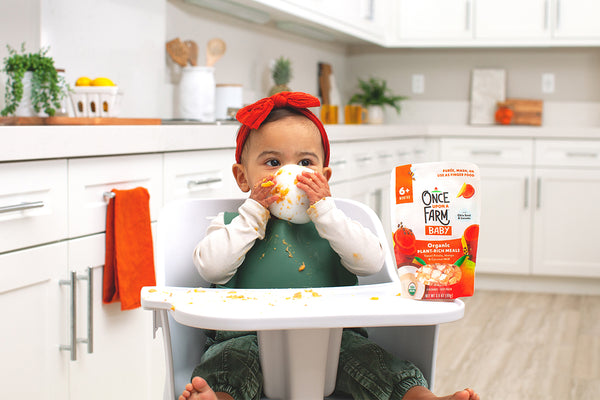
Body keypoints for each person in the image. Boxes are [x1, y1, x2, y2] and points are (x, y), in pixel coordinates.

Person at [180, 92, 479, 400]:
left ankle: (421, 398)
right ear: (243, 177)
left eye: (305, 163)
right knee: (229, 365)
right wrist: (252, 214)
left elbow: (371, 262)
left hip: (331, 341)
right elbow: (212, 267)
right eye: (273, 162)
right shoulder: (232, 224)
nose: (290, 174)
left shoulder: (336, 225)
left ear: (325, 176)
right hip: (246, 338)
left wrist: (326, 213)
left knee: (373, 361)